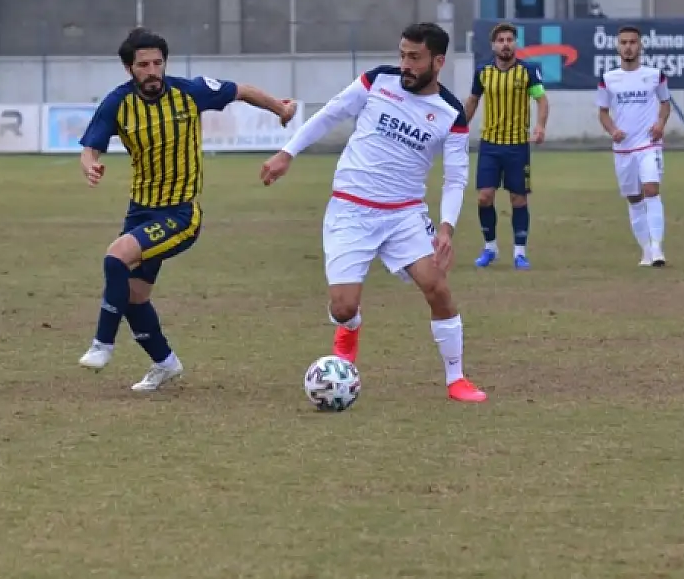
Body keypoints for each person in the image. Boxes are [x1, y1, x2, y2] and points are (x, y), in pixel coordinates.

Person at [258, 22, 487, 403]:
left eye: (415, 57)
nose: (405, 64)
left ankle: (456, 378)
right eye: (402, 55)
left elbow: (455, 178)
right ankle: (349, 330)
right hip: (351, 210)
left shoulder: (451, 113)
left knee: (438, 288)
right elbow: (331, 114)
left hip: (404, 215)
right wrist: (287, 152)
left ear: (439, 61)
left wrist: (445, 229)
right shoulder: (378, 81)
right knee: (343, 306)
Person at [77, 27, 297, 390]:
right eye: (143, 64)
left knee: (115, 258)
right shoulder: (117, 103)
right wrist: (90, 165)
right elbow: (90, 149)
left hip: (180, 215)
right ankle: (165, 364)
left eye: (157, 63)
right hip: (140, 212)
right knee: (133, 297)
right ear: (129, 68)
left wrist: (280, 108)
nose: (152, 71)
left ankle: (103, 343)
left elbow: (240, 90)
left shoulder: (189, 92)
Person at [464, 22, 549, 270]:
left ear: (515, 43)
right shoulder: (483, 73)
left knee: (518, 199)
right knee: (484, 197)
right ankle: (490, 248)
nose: (505, 44)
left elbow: (542, 101)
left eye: (509, 39)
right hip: (490, 145)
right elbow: (472, 102)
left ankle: (519, 253)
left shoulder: (528, 71)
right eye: (500, 40)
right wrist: (457, 130)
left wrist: (540, 127)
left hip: (517, 146)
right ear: (493, 45)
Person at [595, 24, 671, 267]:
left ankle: (658, 249)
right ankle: (646, 250)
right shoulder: (608, 79)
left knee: (651, 190)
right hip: (624, 148)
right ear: (618, 46)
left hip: (649, 145)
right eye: (624, 42)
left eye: (633, 42)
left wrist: (660, 124)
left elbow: (665, 103)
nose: (628, 47)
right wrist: (613, 130)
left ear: (640, 46)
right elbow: (603, 113)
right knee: (634, 199)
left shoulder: (654, 75)